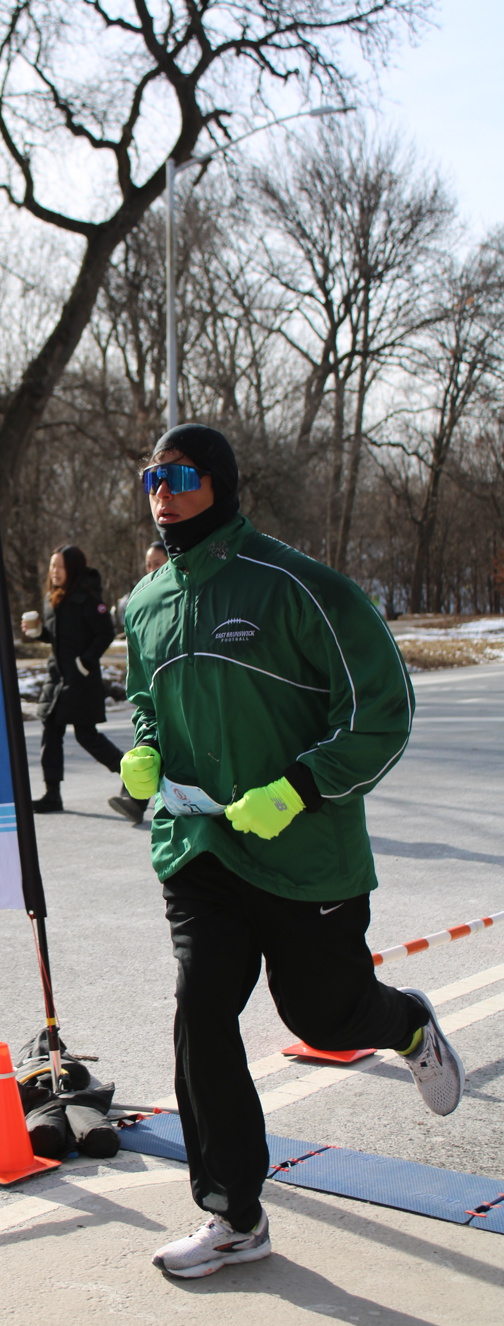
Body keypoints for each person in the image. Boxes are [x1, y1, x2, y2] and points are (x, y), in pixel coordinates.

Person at [121, 422, 465, 1279]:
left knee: (322, 1017)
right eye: (152, 478)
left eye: (181, 476)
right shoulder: (146, 603)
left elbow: (383, 711)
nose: (163, 493)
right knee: (201, 1009)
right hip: (200, 846)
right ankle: (233, 1215)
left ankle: (407, 1023)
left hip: (304, 853)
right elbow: (146, 702)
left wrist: (300, 788)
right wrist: (146, 749)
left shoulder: (299, 586)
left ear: (222, 483)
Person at [23, 544, 121, 813]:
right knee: (50, 731)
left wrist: (85, 662)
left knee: (86, 736)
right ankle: (52, 794)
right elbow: (57, 637)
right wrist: (39, 632)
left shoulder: (88, 599)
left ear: (73, 568)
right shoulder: (52, 598)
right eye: (52, 566)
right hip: (57, 678)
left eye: (61, 566)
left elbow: (105, 633)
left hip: (81, 679)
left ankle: (131, 774)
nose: (54, 571)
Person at [109, 539, 170, 824]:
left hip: (175, 685)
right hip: (152, 686)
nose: (152, 569)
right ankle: (134, 797)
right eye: (148, 564)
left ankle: (135, 799)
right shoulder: (144, 599)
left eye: (157, 563)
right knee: (149, 734)